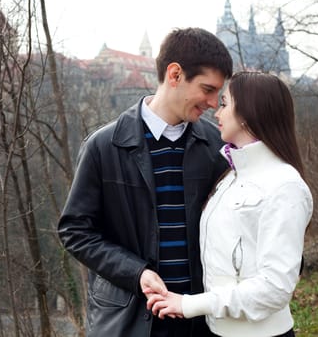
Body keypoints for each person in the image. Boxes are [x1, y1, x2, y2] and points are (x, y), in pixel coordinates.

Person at [58, 27, 233, 336]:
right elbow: (75, 231)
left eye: (218, 93)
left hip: (203, 320)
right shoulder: (103, 146)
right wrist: (136, 273)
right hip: (129, 321)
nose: (213, 102)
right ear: (175, 74)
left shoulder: (217, 148)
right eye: (207, 89)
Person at [146, 71, 313, 337]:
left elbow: (275, 288)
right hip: (217, 331)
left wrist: (190, 304)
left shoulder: (284, 186)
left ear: (248, 114)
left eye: (224, 103)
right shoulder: (229, 178)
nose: (216, 112)